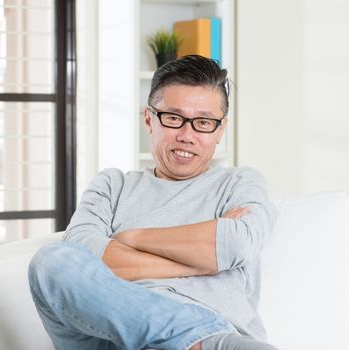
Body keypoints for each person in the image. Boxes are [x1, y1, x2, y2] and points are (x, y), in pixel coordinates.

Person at [28, 55, 279, 350]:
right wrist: (203, 264)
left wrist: (131, 238)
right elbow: (83, 253)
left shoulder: (240, 184)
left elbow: (235, 245)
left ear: (220, 129)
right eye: (173, 118)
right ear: (149, 118)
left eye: (203, 122)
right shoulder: (112, 185)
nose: (187, 135)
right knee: (52, 262)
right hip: (114, 340)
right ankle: (198, 341)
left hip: (220, 327)